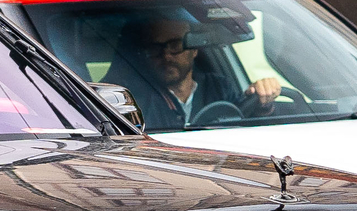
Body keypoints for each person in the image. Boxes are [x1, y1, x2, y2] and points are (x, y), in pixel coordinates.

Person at [105, 11, 280, 132]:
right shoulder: (133, 100)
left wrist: (263, 101)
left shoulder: (219, 87)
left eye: (175, 45)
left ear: (194, 49)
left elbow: (246, 123)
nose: (166, 55)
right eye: (155, 48)